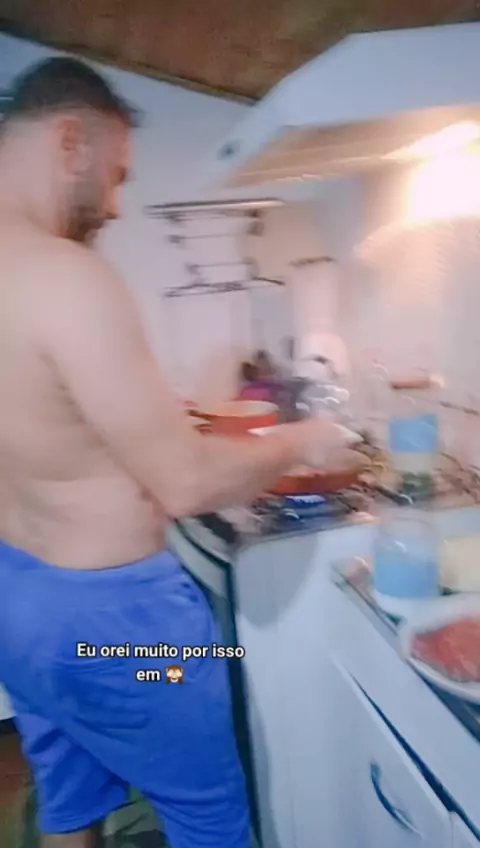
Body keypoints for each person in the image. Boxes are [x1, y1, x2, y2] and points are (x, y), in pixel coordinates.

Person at [0, 57, 348, 848]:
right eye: (116, 175)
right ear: (70, 141)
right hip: (122, 633)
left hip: (17, 602)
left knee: (68, 802)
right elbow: (186, 482)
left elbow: (46, 419)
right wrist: (308, 436)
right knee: (207, 814)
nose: (116, 205)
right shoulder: (67, 277)